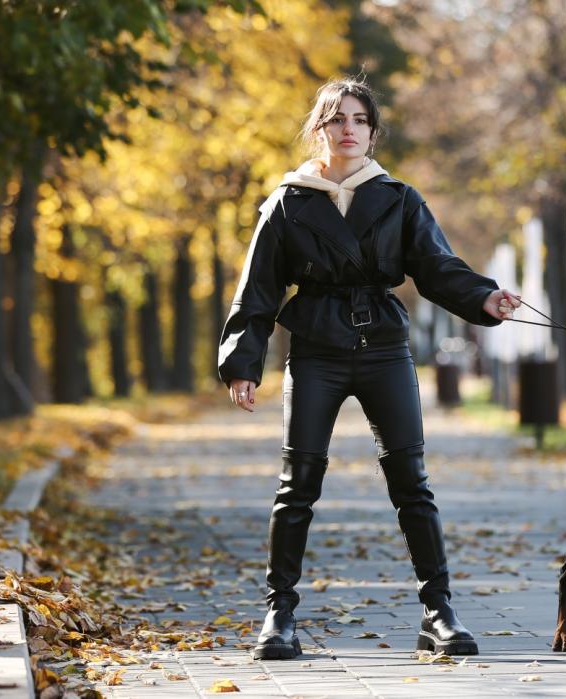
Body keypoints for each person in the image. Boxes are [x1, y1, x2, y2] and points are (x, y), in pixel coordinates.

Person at [217, 77, 522, 661]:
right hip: (316, 349)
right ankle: (279, 615)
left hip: (382, 344)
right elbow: (256, 288)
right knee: (297, 486)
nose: (348, 129)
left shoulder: (398, 197)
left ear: (373, 132)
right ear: (319, 130)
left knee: (412, 482)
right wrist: (243, 363)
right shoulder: (287, 201)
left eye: (358, 119)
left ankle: (439, 612)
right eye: (336, 120)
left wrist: (484, 298)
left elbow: (435, 265)